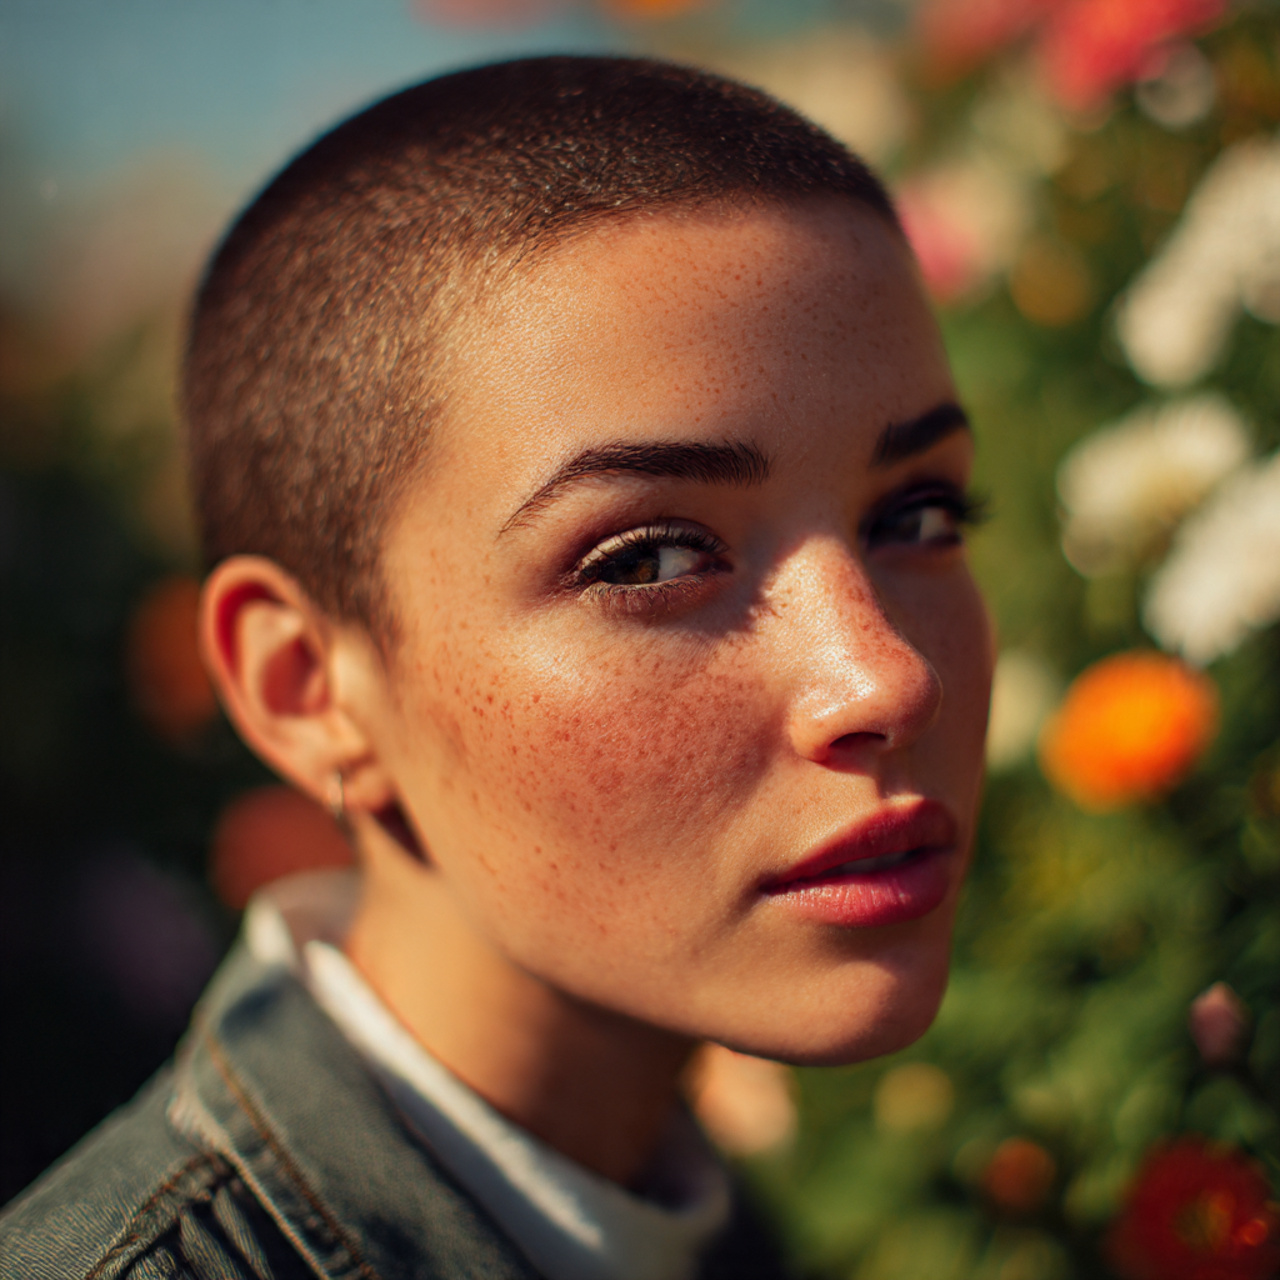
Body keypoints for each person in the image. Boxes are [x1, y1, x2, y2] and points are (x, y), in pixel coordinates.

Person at [0, 55, 993, 1280]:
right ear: (308, 688)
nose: (884, 678)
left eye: (919, 515)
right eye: (646, 558)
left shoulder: (669, 1213)